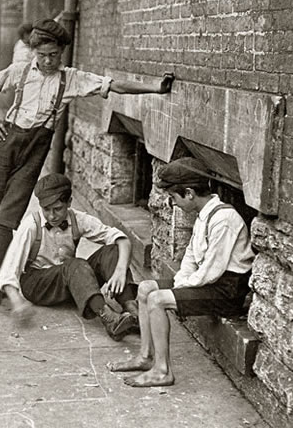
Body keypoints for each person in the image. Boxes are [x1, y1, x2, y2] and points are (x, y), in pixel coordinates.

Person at [0, 17, 175, 313]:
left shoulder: (70, 79)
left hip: (35, 150)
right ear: (33, 52)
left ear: (62, 53)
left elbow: (113, 86)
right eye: (42, 55)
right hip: (4, 143)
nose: (48, 61)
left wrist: (154, 87)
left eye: (54, 55)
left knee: (6, 218)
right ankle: (0, 278)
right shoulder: (21, 70)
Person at [106, 157, 255, 387]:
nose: (172, 203)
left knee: (157, 300)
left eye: (173, 197)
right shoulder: (204, 215)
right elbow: (191, 256)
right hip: (210, 282)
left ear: (189, 193)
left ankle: (162, 371)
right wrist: (180, 282)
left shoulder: (224, 219)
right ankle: (146, 357)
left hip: (227, 291)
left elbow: (210, 272)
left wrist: (178, 291)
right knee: (146, 288)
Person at [0, 174, 139, 340]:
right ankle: (109, 318)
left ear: (69, 203)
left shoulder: (78, 219)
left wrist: (120, 271)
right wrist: (17, 302)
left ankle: (132, 311)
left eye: (57, 209)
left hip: (69, 280)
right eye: (46, 209)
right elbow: (9, 269)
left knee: (112, 250)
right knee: (75, 264)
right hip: (38, 284)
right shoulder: (31, 225)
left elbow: (122, 239)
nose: (52, 216)